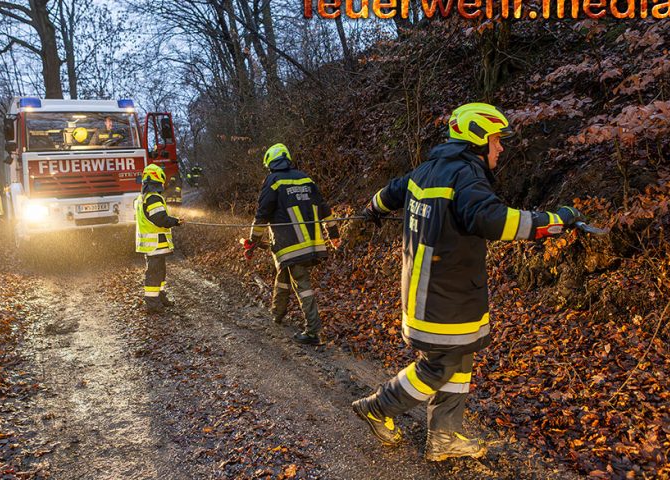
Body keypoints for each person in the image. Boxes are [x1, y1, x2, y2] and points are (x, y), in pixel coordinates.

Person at [351, 103, 583, 461]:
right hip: (442, 295)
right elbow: (492, 220)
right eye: (496, 139)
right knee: (438, 366)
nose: (500, 147)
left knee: (460, 360)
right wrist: (554, 221)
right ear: (478, 139)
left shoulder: (427, 170)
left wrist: (372, 209)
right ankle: (378, 407)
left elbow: (391, 192)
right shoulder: (465, 175)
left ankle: (444, 438)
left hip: (439, 291)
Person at [243, 143, 341, 346]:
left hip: (290, 245)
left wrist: (253, 240)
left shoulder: (273, 181)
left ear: (270, 163)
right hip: (311, 242)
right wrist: (333, 234)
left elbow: (262, 214)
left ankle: (313, 331)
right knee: (284, 275)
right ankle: (277, 313)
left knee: (302, 284)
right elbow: (324, 208)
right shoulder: (306, 179)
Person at [135, 164, 183, 313]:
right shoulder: (153, 198)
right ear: (158, 179)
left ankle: (160, 297)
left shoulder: (143, 198)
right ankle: (153, 304)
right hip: (155, 244)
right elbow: (160, 219)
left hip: (154, 245)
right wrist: (176, 221)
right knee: (154, 274)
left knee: (160, 272)